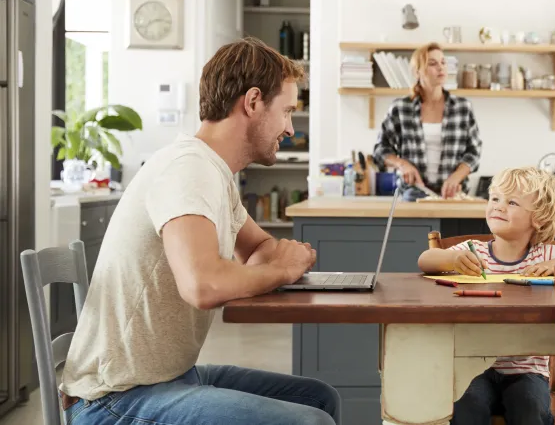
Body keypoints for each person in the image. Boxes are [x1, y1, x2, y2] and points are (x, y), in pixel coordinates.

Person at [59, 37, 340, 425]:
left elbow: (258, 246)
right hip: (114, 399)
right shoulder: (189, 169)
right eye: (287, 111)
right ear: (253, 101)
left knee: (318, 397)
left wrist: (274, 259)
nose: (290, 128)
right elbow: (202, 285)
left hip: (168, 378)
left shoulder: (213, 172)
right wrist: (282, 270)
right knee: (311, 422)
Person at [418, 167, 555, 425]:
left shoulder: (546, 256)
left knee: (530, 409)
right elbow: (425, 259)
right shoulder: (474, 251)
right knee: (465, 408)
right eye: (494, 198)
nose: (498, 206)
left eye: (511, 202)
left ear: (539, 218)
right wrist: (452, 257)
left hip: (529, 371)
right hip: (475, 369)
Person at [373, 42, 483, 199]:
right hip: (414, 192)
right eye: (432, 63)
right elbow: (380, 150)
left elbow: (474, 152)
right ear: (417, 72)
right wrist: (403, 165)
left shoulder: (462, 107)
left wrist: (456, 177)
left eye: (443, 62)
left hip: (453, 194)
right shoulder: (401, 107)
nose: (440, 67)